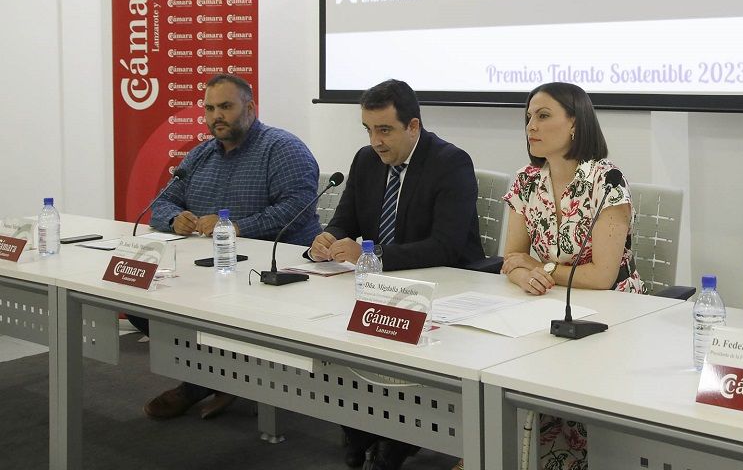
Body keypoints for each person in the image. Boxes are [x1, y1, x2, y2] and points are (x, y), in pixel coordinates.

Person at [309, 78, 482, 470]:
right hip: (380, 285)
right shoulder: (366, 160)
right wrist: (328, 238)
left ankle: (396, 437)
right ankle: (362, 427)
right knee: (337, 335)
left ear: (413, 127)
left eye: (384, 130)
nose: (376, 141)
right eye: (368, 130)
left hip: (445, 286)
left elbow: (446, 245)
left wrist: (373, 255)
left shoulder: (449, 162)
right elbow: (346, 219)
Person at [140, 73, 320, 420]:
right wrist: (175, 218)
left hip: (271, 270)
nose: (215, 116)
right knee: (141, 301)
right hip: (208, 269)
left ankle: (208, 381)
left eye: (225, 106)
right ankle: (215, 376)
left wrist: (238, 227)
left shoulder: (283, 149)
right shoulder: (200, 155)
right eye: (209, 108)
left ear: (250, 108)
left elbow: (297, 208)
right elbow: (161, 202)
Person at [500, 82, 642, 470]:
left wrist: (540, 268)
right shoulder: (526, 179)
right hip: (547, 306)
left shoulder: (606, 180)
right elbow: (511, 255)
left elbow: (601, 277)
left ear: (576, 124)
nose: (531, 125)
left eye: (543, 116)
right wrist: (521, 276)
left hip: (614, 316)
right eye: (529, 116)